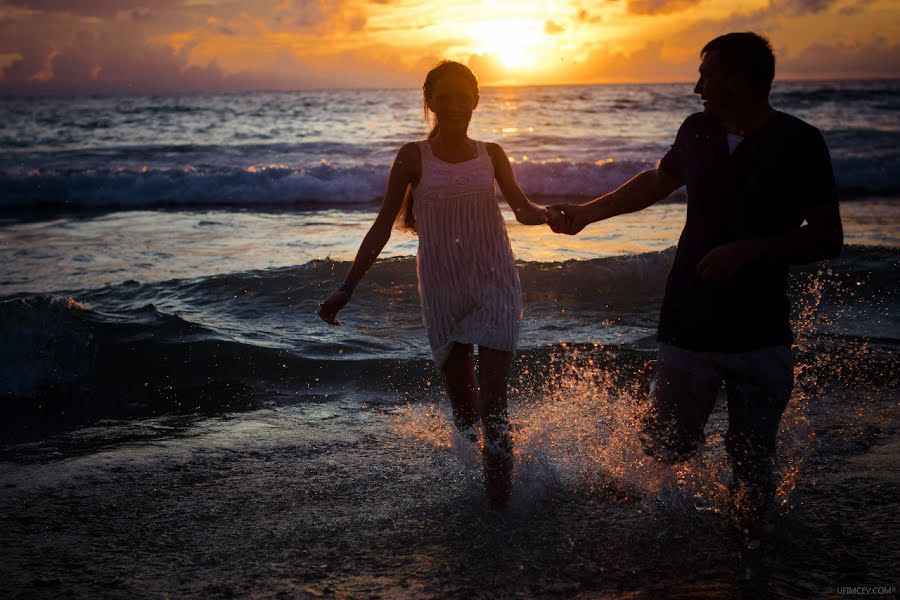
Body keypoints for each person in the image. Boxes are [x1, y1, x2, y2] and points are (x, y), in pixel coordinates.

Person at [548, 32, 843, 539]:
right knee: (663, 451)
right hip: (688, 322)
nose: (696, 86)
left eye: (706, 74)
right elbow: (657, 181)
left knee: (752, 466)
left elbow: (827, 236)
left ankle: (751, 559)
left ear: (739, 80)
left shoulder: (800, 142)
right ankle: (665, 552)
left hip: (761, 332)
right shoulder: (697, 131)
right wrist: (586, 214)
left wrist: (748, 251)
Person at [317, 61, 551, 508]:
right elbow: (383, 225)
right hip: (443, 289)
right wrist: (347, 287)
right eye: (444, 97)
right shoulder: (412, 157)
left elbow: (521, 209)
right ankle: (480, 492)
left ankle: (498, 511)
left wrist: (553, 215)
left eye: (463, 97)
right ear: (430, 102)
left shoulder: (492, 153)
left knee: (495, 408)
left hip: (496, 281)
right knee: (466, 413)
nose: (455, 106)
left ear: (476, 100)